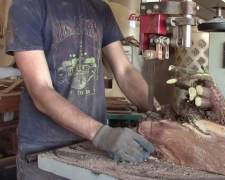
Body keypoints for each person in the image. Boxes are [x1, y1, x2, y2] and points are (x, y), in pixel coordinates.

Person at [5, 0, 156, 179]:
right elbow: (41, 90)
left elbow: (125, 71)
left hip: (91, 147)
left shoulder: (99, 9)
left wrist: (158, 110)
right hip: (43, 152)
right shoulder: (27, 7)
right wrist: (102, 133)